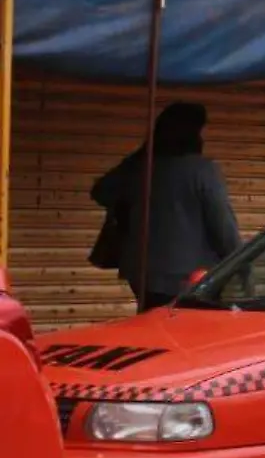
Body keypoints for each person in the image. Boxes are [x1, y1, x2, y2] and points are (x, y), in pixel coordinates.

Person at [90, 102, 242, 312]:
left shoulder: (140, 165)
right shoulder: (203, 170)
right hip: (188, 274)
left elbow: (101, 192)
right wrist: (241, 262)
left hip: (141, 271)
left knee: (150, 324)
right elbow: (223, 226)